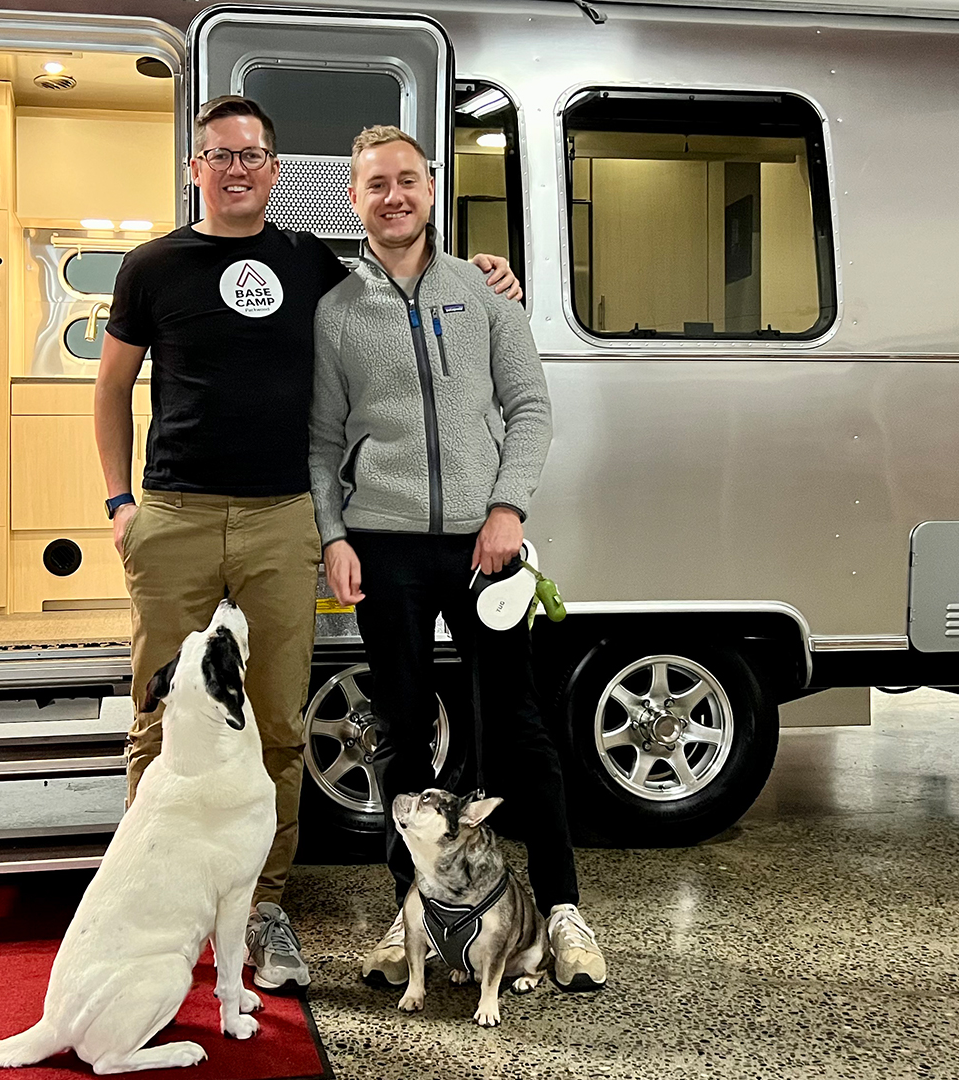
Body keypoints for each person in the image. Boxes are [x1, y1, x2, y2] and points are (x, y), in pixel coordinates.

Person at [93, 96, 520, 993]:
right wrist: (121, 503)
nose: (238, 168)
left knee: (280, 721)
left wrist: (489, 274)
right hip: (172, 514)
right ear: (195, 168)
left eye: (253, 155)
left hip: (281, 516)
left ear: (276, 171)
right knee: (157, 718)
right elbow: (111, 389)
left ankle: (263, 909)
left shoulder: (307, 261)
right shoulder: (151, 266)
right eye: (221, 155)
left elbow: (397, 277)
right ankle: (150, 897)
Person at [308, 125, 607, 993]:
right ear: (353, 199)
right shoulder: (336, 312)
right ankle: (412, 927)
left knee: (518, 728)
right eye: (375, 186)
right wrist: (334, 534)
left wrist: (507, 510)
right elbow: (322, 442)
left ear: (432, 189)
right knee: (402, 733)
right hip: (384, 548)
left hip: (487, 546)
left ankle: (562, 913)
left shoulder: (484, 296)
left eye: (408, 180)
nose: (393, 197)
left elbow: (529, 409)